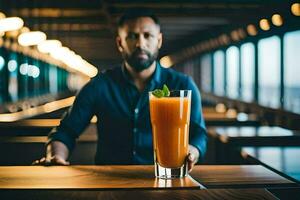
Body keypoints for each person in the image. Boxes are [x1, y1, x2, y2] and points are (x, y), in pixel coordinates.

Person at [33, 9, 207, 172]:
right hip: (108, 182)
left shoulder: (183, 85)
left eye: (148, 36)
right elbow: (65, 132)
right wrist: (55, 156)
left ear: (159, 41)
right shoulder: (99, 85)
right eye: (132, 36)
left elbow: (199, 135)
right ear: (120, 43)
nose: (140, 43)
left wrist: (192, 151)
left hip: (166, 178)